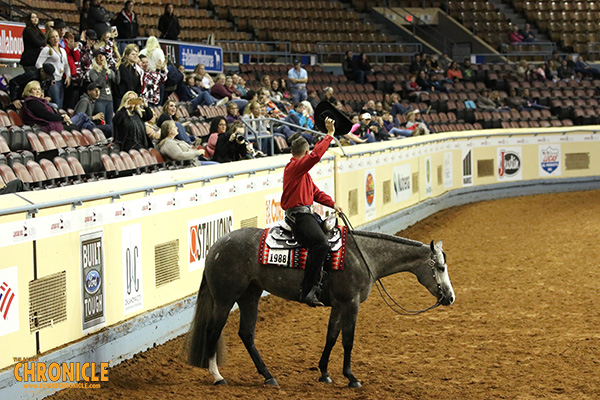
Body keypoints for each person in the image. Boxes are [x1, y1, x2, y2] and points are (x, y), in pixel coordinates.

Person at [281, 117, 342, 306]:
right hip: (299, 216)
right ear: (305, 152)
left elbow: (315, 193)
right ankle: (308, 290)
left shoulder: (300, 172)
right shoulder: (296, 168)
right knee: (321, 244)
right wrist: (329, 135)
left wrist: (332, 204)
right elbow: (316, 156)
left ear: (292, 151)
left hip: (305, 214)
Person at [19, 80, 87, 133]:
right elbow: (46, 115)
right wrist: (62, 118)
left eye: (39, 89)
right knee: (76, 126)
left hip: (48, 124)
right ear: (29, 91)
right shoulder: (32, 103)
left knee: (79, 124)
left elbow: (51, 113)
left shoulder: (38, 101)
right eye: (34, 89)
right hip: (44, 127)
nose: (38, 92)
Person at [35, 29, 70, 109]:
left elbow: (66, 64)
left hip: (61, 79)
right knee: (56, 104)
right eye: (52, 37)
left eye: (57, 36)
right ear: (49, 39)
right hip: (52, 80)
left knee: (60, 104)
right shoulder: (47, 49)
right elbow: (38, 64)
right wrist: (45, 74)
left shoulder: (62, 50)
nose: (55, 39)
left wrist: (68, 76)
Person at [88, 49, 119, 127]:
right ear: (95, 59)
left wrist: (117, 70)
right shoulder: (93, 71)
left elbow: (117, 81)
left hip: (109, 99)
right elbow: (98, 83)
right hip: (100, 99)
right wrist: (103, 70)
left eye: (103, 56)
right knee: (102, 122)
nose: (102, 58)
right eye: (99, 56)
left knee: (110, 122)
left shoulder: (109, 71)